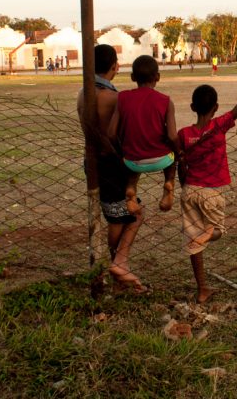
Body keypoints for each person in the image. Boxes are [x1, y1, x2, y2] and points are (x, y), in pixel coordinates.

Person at [177, 45, 237, 303]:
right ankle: (207, 234)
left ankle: (202, 288)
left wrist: (183, 185)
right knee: (216, 231)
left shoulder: (184, 134)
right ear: (215, 107)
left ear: (193, 107)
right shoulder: (219, 126)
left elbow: (181, 164)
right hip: (211, 191)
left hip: (189, 189)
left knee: (194, 242)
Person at [76, 45, 146, 292]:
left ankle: (118, 267)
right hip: (111, 164)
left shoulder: (83, 93)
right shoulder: (112, 98)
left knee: (119, 215)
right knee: (128, 216)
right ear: (115, 66)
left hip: (92, 162)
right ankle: (119, 265)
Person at [109, 55, 179, 213]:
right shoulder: (166, 101)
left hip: (132, 161)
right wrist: (179, 152)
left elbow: (111, 133)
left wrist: (121, 151)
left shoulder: (123, 98)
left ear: (133, 77)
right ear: (158, 77)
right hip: (162, 160)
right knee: (173, 159)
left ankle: (131, 191)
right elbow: (172, 136)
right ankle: (169, 184)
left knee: (131, 167)